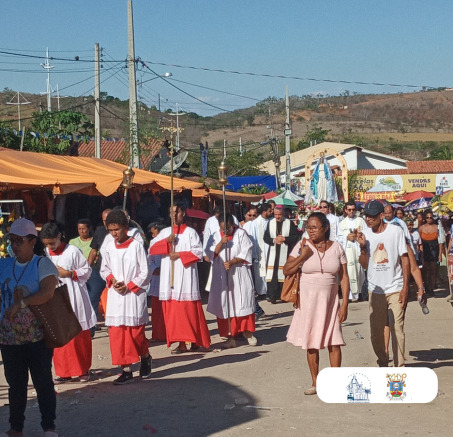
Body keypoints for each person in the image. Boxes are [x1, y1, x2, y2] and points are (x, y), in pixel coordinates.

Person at [0, 218, 59, 436]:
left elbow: (47, 292)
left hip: (37, 336)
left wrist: (22, 303)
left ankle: (49, 426)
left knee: (42, 381)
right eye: (12, 241)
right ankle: (16, 427)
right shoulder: (4, 265)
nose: (14, 245)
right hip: (9, 337)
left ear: (32, 241)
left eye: (19, 241)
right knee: (15, 384)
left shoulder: (42, 264)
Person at [285, 212, 349, 395]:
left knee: (334, 342)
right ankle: (316, 383)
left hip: (330, 303)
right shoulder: (302, 245)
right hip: (308, 304)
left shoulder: (337, 247)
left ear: (325, 228)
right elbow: (287, 270)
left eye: (314, 227)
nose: (311, 231)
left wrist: (345, 304)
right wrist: (302, 256)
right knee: (311, 342)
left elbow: (344, 277)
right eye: (308, 227)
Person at [149, 202, 211, 354]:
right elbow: (152, 249)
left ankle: (194, 341)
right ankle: (181, 342)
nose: (174, 215)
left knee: (188, 311)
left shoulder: (191, 232)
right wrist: (166, 242)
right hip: (169, 278)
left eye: (177, 212)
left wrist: (179, 254)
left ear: (183, 213)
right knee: (175, 314)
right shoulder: (165, 232)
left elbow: (198, 253)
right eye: (171, 212)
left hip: (186, 276)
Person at [99, 209, 151, 385]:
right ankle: (126, 370)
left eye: (117, 229)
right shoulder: (109, 246)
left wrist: (129, 285)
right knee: (118, 335)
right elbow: (104, 268)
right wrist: (112, 280)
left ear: (125, 227)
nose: (114, 233)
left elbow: (145, 271)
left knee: (136, 334)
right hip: (116, 295)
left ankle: (145, 356)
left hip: (133, 295)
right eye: (111, 230)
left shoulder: (136, 246)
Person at [40, 223, 96, 383]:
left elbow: (87, 270)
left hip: (74, 296)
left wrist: (69, 273)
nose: (49, 247)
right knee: (59, 335)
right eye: (46, 244)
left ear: (59, 236)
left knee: (78, 336)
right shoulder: (44, 254)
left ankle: (83, 370)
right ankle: (63, 372)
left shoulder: (72, 251)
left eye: (52, 243)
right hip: (55, 298)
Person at [357, 200, 410, 368]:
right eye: (366, 216)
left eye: (372, 216)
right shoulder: (365, 234)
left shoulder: (396, 231)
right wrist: (363, 247)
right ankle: (382, 361)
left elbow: (405, 259)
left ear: (381, 216)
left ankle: (399, 367)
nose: (368, 219)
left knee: (397, 329)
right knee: (376, 333)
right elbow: (364, 264)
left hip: (395, 288)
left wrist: (405, 288)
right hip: (375, 290)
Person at [206, 214, 257, 348]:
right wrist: (220, 243)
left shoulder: (241, 234)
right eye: (223, 228)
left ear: (232, 224)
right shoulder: (215, 236)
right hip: (221, 274)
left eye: (228, 228)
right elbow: (209, 253)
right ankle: (231, 337)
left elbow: (247, 251)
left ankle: (246, 331)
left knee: (242, 301)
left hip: (239, 272)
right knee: (225, 304)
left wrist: (233, 261)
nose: (225, 231)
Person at [263, 205, 299, 303]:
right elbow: (265, 237)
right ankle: (272, 296)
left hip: (285, 252)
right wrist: (273, 240)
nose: (277, 217)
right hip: (273, 253)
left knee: (283, 273)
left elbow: (295, 237)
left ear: (283, 214)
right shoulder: (270, 223)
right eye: (275, 214)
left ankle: (283, 295)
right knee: (273, 274)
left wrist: (285, 239)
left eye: (279, 215)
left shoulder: (289, 223)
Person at [87, 209, 111, 327]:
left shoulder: (122, 232)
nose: (106, 223)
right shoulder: (99, 230)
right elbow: (93, 251)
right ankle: (91, 325)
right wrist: (87, 269)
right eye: (104, 220)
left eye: (108, 220)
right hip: (98, 269)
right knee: (92, 296)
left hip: (115, 272)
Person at [338, 201, 367, 302]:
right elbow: (338, 238)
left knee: (360, 270)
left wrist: (359, 236)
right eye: (349, 210)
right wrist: (346, 238)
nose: (351, 211)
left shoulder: (360, 221)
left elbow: (366, 233)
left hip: (358, 248)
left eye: (353, 209)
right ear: (345, 210)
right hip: (348, 249)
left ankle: (360, 293)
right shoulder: (342, 223)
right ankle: (350, 295)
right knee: (349, 271)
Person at [147, 220, 167, 342]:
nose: (153, 236)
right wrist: (155, 269)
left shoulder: (171, 240)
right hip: (157, 278)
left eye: (154, 233)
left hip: (169, 277)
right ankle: (158, 334)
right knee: (157, 310)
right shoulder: (153, 242)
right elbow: (149, 260)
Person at [419, 209, 442, 295]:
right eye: (427, 217)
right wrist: (421, 253)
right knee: (425, 269)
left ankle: (431, 287)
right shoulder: (421, 228)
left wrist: (440, 254)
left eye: (431, 218)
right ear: (425, 218)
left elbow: (440, 242)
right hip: (424, 249)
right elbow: (419, 242)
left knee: (433, 269)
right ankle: (426, 285)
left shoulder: (437, 227)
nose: (429, 219)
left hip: (434, 249)